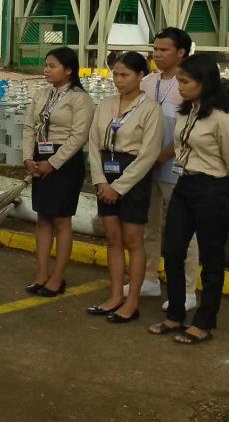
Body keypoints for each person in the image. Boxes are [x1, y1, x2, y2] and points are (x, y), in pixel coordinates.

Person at [149, 54, 229, 345]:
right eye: (179, 81)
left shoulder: (222, 118)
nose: (179, 87)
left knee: (211, 259)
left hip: (212, 188)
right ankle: (175, 315)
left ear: (204, 82)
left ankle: (204, 321)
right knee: (172, 251)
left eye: (185, 81)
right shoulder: (185, 112)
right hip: (184, 185)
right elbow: (180, 147)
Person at [85, 51, 163, 323]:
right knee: (113, 239)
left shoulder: (150, 109)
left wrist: (118, 188)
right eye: (115, 74)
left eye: (125, 75)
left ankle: (132, 301)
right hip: (105, 174)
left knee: (133, 240)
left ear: (141, 76)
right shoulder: (105, 105)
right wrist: (100, 181)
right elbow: (93, 145)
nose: (118, 80)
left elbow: (148, 154)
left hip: (132, 179)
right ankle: (115, 295)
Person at [21, 47, 94, 297]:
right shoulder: (42, 94)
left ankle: (58, 277)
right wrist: (28, 157)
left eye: (52, 66)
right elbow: (29, 126)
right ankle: (41, 273)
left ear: (69, 70)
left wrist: (53, 163)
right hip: (40, 158)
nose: (46, 70)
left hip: (65, 163)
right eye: (46, 65)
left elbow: (78, 137)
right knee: (43, 218)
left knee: (62, 221)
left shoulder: (79, 99)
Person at [138, 28, 200, 311]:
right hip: (146, 166)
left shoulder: (189, 84)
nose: (157, 54)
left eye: (164, 50)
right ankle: (149, 278)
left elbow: (191, 128)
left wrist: (163, 155)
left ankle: (188, 290)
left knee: (184, 231)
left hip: (175, 167)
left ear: (181, 53)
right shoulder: (147, 83)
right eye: (155, 49)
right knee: (148, 225)